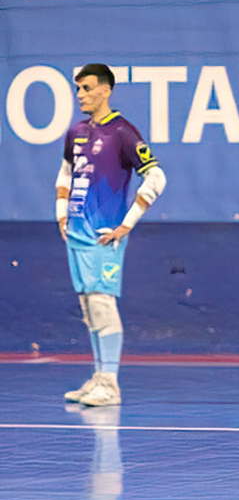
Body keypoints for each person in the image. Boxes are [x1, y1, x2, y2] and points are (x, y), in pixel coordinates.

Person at [57, 63, 167, 407]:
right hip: (76, 232)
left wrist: (127, 223)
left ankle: (110, 384)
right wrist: (61, 213)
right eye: (78, 89)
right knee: (89, 307)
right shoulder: (76, 131)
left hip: (104, 235)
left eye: (87, 88)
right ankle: (99, 378)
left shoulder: (123, 132)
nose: (81, 95)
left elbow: (156, 178)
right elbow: (66, 171)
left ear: (106, 90)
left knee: (102, 303)